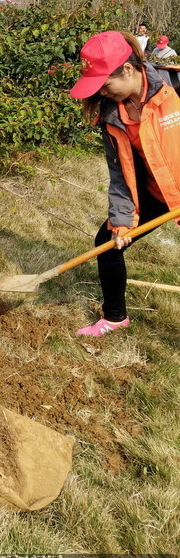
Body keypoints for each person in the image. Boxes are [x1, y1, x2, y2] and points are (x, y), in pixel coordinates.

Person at [69, 30, 180, 336]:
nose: (102, 92)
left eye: (105, 85)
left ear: (128, 70)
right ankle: (116, 317)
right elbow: (119, 173)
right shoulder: (111, 116)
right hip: (154, 194)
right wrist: (121, 221)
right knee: (106, 244)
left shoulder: (175, 87)